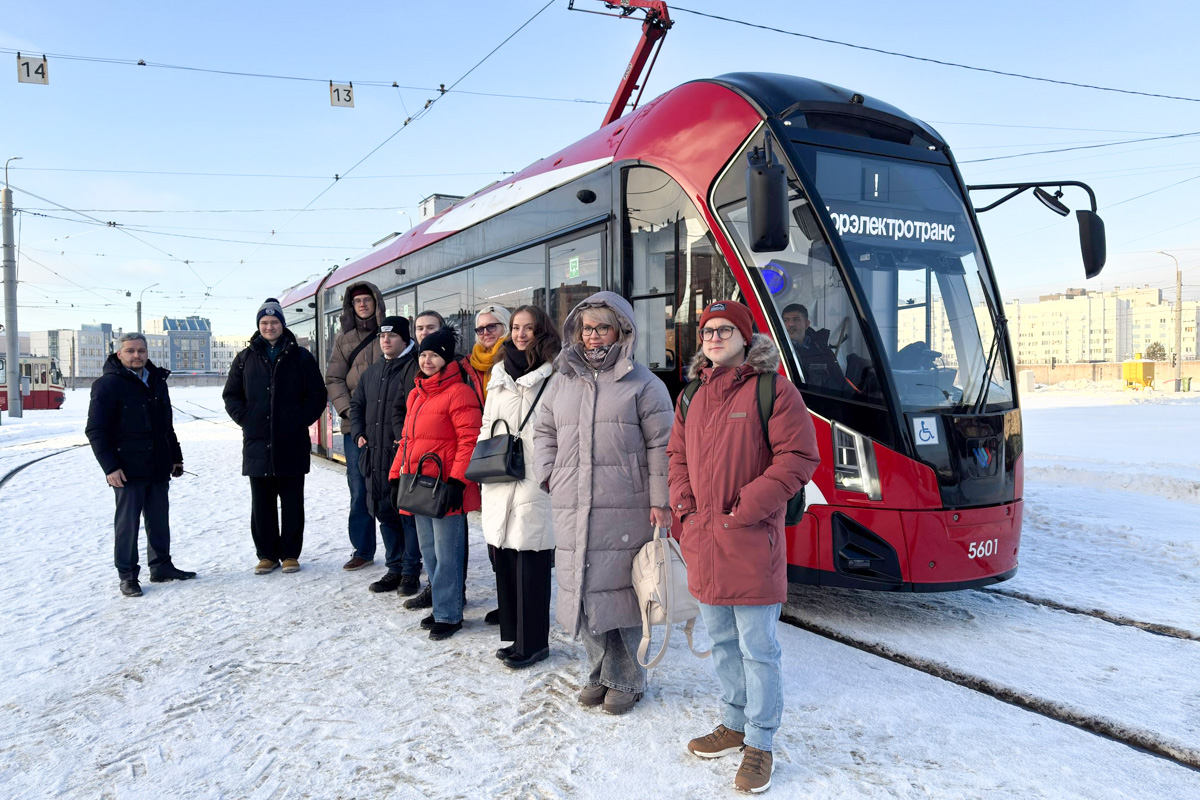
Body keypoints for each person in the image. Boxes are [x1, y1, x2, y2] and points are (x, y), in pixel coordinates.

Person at [667, 300, 820, 794]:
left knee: (759, 649)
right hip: (704, 541)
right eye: (708, 330)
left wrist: (747, 506)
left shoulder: (773, 390)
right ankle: (733, 724)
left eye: (725, 330)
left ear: (744, 337)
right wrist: (685, 505)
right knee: (723, 643)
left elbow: (799, 456)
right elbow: (676, 456)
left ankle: (760, 742)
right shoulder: (691, 395)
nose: (714, 337)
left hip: (752, 539)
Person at [533, 291, 673, 715]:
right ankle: (598, 671)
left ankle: (627, 678)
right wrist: (549, 472)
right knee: (584, 589)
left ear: (621, 331)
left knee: (625, 593)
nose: (592, 336)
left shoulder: (644, 384)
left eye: (602, 328)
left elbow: (663, 446)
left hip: (627, 503)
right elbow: (544, 430)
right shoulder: (563, 379)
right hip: (573, 501)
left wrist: (661, 500)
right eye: (586, 328)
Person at [388, 326, 482, 641]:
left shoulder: (460, 392)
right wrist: (395, 475)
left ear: (446, 359)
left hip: (446, 487)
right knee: (429, 551)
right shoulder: (417, 393)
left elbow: (469, 440)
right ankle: (443, 604)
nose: (427, 361)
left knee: (447, 554)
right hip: (418, 485)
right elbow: (407, 439)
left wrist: (457, 480)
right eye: (424, 354)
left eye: (434, 356)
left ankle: (449, 614)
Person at [479, 305, 559, 670]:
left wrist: (551, 468)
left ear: (542, 330)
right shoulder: (498, 372)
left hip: (536, 474)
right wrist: (484, 455)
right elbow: (487, 421)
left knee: (532, 558)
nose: (521, 334)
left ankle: (534, 643)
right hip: (500, 470)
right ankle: (514, 636)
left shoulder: (555, 372)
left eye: (529, 327)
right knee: (506, 555)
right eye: (515, 327)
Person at [85, 332, 195, 597]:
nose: (137, 355)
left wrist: (176, 456)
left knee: (159, 521)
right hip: (126, 469)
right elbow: (96, 430)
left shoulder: (156, 381)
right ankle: (128, 576)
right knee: (128, 526)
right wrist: (110, 467)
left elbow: (166, 425)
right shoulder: (107, 385)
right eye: (131, 351)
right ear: (119, 354)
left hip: (157, 463)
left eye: (141, 351)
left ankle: (161, 567)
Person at [223, 299, 327, 575]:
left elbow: (317, 394)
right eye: (264, 323)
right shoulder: (245, 358)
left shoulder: (301, 357)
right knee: (262, 503)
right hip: (257, 443)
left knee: (292, 501)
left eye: (274, 322)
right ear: (258, 326)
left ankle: (290, 554)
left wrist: (300, 420)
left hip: (291, 441)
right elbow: (231, 395)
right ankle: (267, 555)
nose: (269, 327)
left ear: (282, 324)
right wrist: (246, 419)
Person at [349, 315, 422, 595]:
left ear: (405, 339)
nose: (385, 340)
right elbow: (356, 405)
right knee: (384, 513)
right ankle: (394, 568)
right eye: (382, 336)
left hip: (403, 456)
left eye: (392, 336)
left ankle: (410, 572)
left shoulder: (415, 368)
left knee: (408, 516)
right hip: (375, 457)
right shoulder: (372, 372)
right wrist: (358, 433)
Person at [325, 281, 385, 572]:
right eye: (357, 301)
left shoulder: (390, 333)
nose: (362, 305)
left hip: (388, 426)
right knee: (359, 488)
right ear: (351, 306)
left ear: (376, 302)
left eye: (367, 300)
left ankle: (403, 553)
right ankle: (363, 549)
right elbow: (334, 379)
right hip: (355, 427)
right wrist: (349, 411)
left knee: (392, 488)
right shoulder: (343, 340)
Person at [464, 305, 510, 403]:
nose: (485, 332)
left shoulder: (515, 357)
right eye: (480, 329)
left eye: (491, 326)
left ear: (505, 326)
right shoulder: (471, 362)